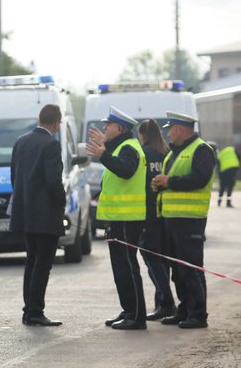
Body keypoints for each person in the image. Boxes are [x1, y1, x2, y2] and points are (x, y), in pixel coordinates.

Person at [151, 111, 216, 329]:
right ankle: (185, 309)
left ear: (180, 129)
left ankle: (198, 314)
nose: (168, 134)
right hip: (172, 218)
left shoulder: (202, 150)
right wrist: (159, 185)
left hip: (190, 219)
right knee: (177, 269)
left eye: (170, 129)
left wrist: (169, 182)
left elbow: (199, 178)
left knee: (191, 268)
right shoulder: (175, 153)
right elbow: (172, 181)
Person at [86, 106, 147, 330]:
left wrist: (103, 154)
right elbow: (116, 162)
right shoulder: (122, 146)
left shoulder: (129, 148)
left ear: (119, 128)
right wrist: (105, 147)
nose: (104, 128)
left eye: (107, 126)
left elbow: (125, 170)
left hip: (128, 218)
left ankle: (137, 316)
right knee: (120, 269)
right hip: (118, 217)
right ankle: (129, 310)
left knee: (128, 268)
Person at [9, 104, 65, 327]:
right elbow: (54, 181)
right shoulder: (50, 144)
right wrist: (62, 203)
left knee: (32, 261)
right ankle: (35, 311)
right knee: (43, 264)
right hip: (45, 214)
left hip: (25, 212)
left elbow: (14, 176)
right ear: (55, 122)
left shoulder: (21, 141)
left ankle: (28, 310)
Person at [137, 119, 176, 321]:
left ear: (142, 135)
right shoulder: (167, 152)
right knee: (163, 258)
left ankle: (167, 301)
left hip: (148, 212)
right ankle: (162, 301)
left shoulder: (143, 153)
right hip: (166, 212)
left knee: (151, 255)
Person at [216, 143, 241, 207]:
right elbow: (240, 157)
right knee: (230, 187)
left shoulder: (220, 154)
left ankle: (219, 202)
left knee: (222, 187)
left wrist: (219, 175)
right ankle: (228, 203)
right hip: (232, 170)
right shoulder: (231, 149)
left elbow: (218, 166)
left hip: (223, 172)